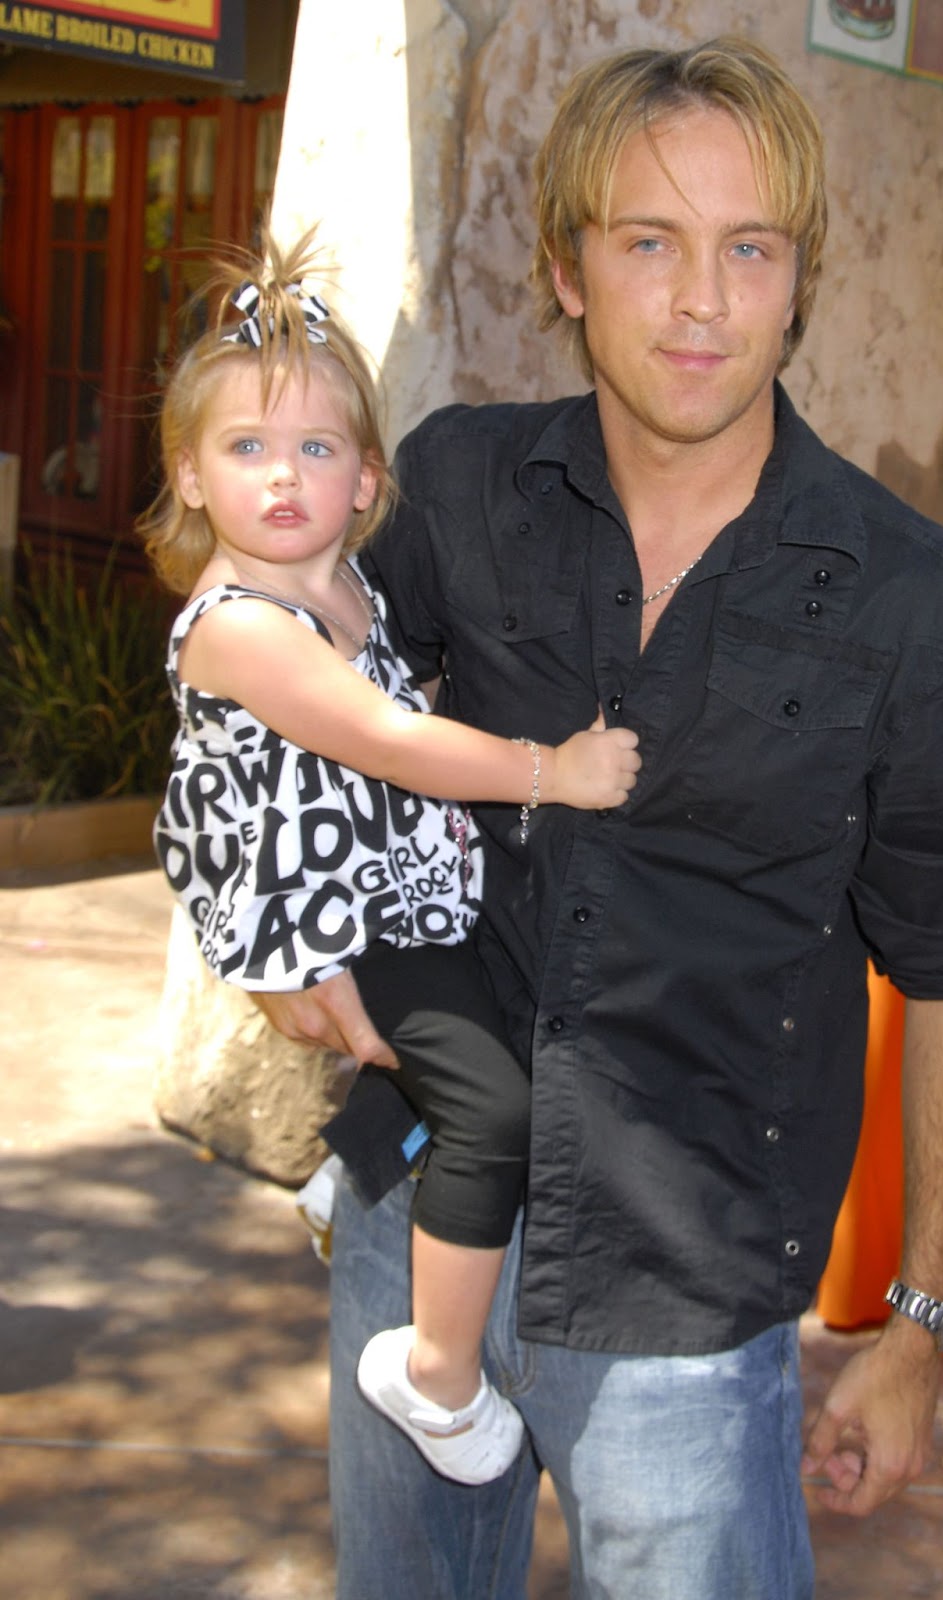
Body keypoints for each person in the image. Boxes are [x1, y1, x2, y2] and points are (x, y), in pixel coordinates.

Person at [257, 36, 943, 1599]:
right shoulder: (457, 489)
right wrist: (276, 936)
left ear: (800, 276)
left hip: (693, 1305)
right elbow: (276, 689)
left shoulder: (921, 603)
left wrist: (919, 1329)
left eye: (749, 248)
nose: (701, 302)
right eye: (649, 243)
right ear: (567, 265)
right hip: (421, 1224)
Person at [139, 232, 640, 1488]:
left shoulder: (349, 587)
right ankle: (433, 1369)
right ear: (190, 479)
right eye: (245, 449)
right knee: (499, 1113)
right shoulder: (243, 626)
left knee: (502, 1024)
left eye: (316, 448)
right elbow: (391, 737)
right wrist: (550, 770)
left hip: (405, 891)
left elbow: (397, 683)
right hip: (345, 919)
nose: (284, 477)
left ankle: (357, 1166)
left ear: (367, 478)